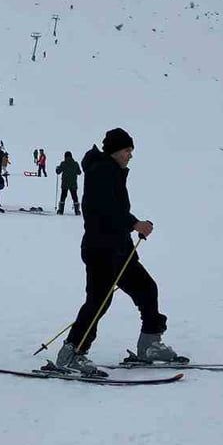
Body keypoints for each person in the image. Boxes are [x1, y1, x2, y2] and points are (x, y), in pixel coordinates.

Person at [57, 127, 183, 376]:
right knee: (99, 301)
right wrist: (134, 223)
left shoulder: (113, 172)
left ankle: (149, 344)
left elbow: (114, 210)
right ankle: (71, 353)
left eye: (131, 151)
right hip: (100, 249)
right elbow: (104, 211)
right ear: (115, 151)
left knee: (146, 288)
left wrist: (131, 225)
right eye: (127, 150)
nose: (130, 155)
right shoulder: (102, 172)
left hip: (119, 248)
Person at [56, 150, 81, 215]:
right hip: (73, 183)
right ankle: (77, 211)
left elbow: (58, 172)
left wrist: (57, 168)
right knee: (74, 196)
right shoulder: (75, 163)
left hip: (65, 183)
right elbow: (79, 172)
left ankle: (61, 211)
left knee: (63, 196)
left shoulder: (63, 163)